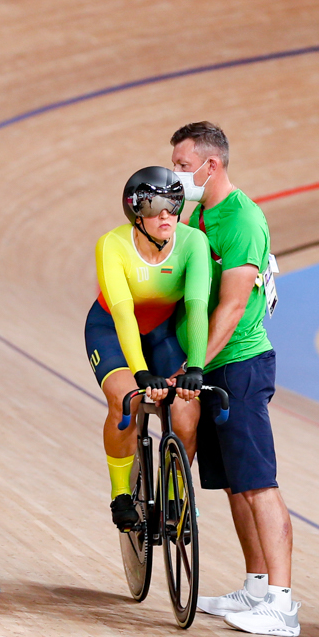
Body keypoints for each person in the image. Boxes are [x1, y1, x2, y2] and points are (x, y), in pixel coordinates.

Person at [170, 123, 296, 637]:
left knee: (259, 483)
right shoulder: (200, 213)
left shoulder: (242, 219)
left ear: (210, 165)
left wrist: (195, 361)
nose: (178, 175)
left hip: (240, 364)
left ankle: (283, 604)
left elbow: (234, 304)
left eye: (183, 165)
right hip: (212, 363)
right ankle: (257, 585)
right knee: (234, 487)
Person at [87, 166, 210, 530]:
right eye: (156, 208)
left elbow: (198, 307)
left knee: (188, 412)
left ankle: (176, 494)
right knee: (126, 399)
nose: (166, 216)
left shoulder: (192, 243)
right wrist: (141, 374)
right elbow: (124, 314)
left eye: (173, 206)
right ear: (136, 214)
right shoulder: (112, 245)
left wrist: (196, 369)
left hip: (160, 333)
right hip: (110, 328)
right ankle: (121, 493)